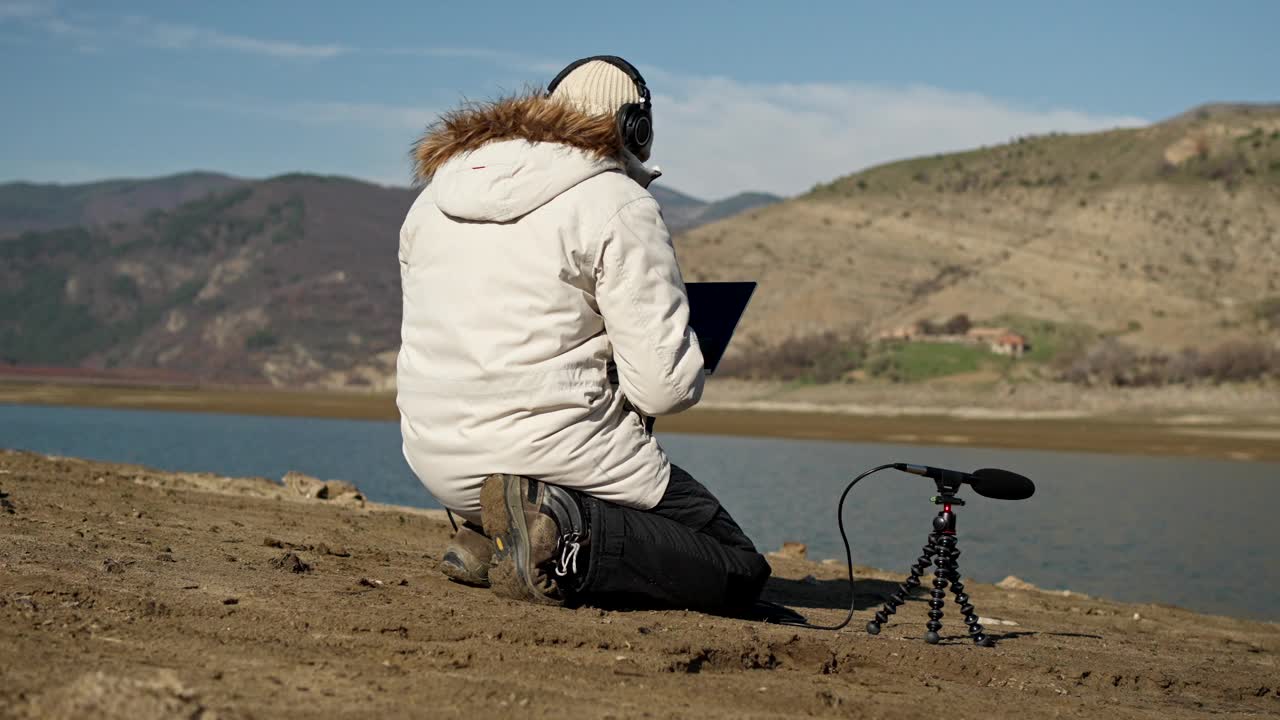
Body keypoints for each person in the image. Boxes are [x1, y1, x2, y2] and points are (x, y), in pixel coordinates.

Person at [396, 55, 770, 612]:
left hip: (439, 463)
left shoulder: (430, 202)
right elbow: (664, 390)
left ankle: (489, 536)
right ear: (634, 129)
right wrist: (682, 344)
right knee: (737, 565)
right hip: (552, 456)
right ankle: (551, 536)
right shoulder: (617, 203)